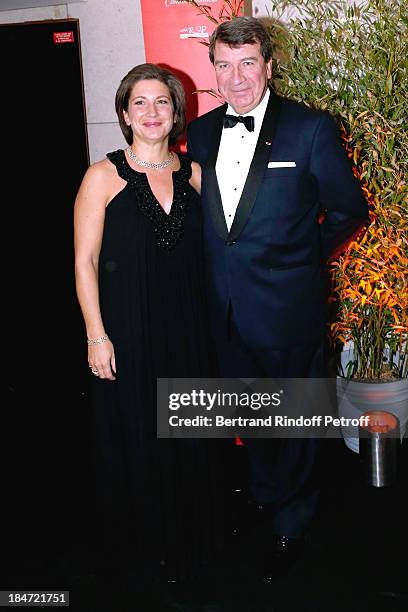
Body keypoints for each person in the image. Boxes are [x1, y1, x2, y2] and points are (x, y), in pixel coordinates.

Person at [187, 17, 369, 579]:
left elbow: (349, 211)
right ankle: (265, 494)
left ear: (268, 66)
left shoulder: (310, 129)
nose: (237, 78)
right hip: (224, 308)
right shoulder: (200, 132)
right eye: (224, 65)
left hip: (289, 307)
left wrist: (298, 257)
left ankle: (294, 518)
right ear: (212, 70)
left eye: (248, 64)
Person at [74, 63, 220, 583]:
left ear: (177, 112)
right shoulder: (102, 175)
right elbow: (84, 262)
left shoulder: (198, 175)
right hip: (128, 334)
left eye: (162, 101)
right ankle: (141, 550)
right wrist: (97, 334)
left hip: (189, 329)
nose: (152, 112)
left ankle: (188, 543)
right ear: (124, 113)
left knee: (187, 440)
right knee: (136, 438)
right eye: (141, 102)